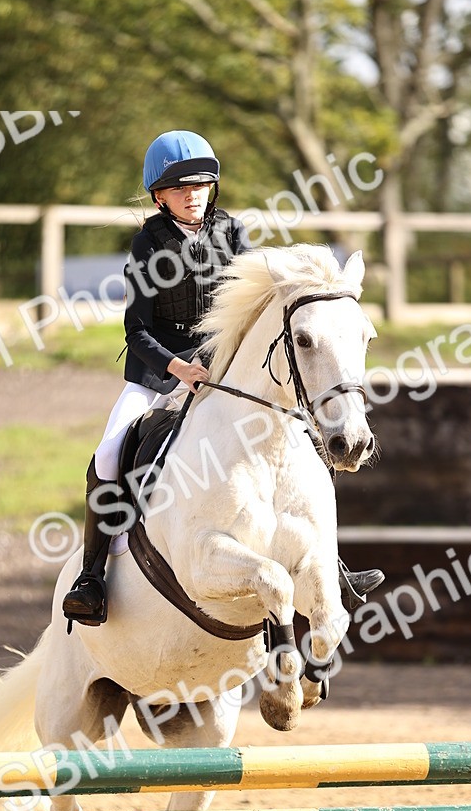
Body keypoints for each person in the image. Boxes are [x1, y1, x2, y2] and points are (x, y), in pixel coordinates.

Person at [62, 129, 383, 626]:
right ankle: (92, 578)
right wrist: (177, 367)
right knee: (108, 453)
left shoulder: (231, 231)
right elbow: (137, 329)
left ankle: (330, 566)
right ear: (158, 196)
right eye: (181, 187)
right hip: (160, 370)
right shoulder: (148, 242)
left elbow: (253, 304)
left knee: (304, 441)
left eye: (202, 185)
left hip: (223, 366)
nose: (194, 195)